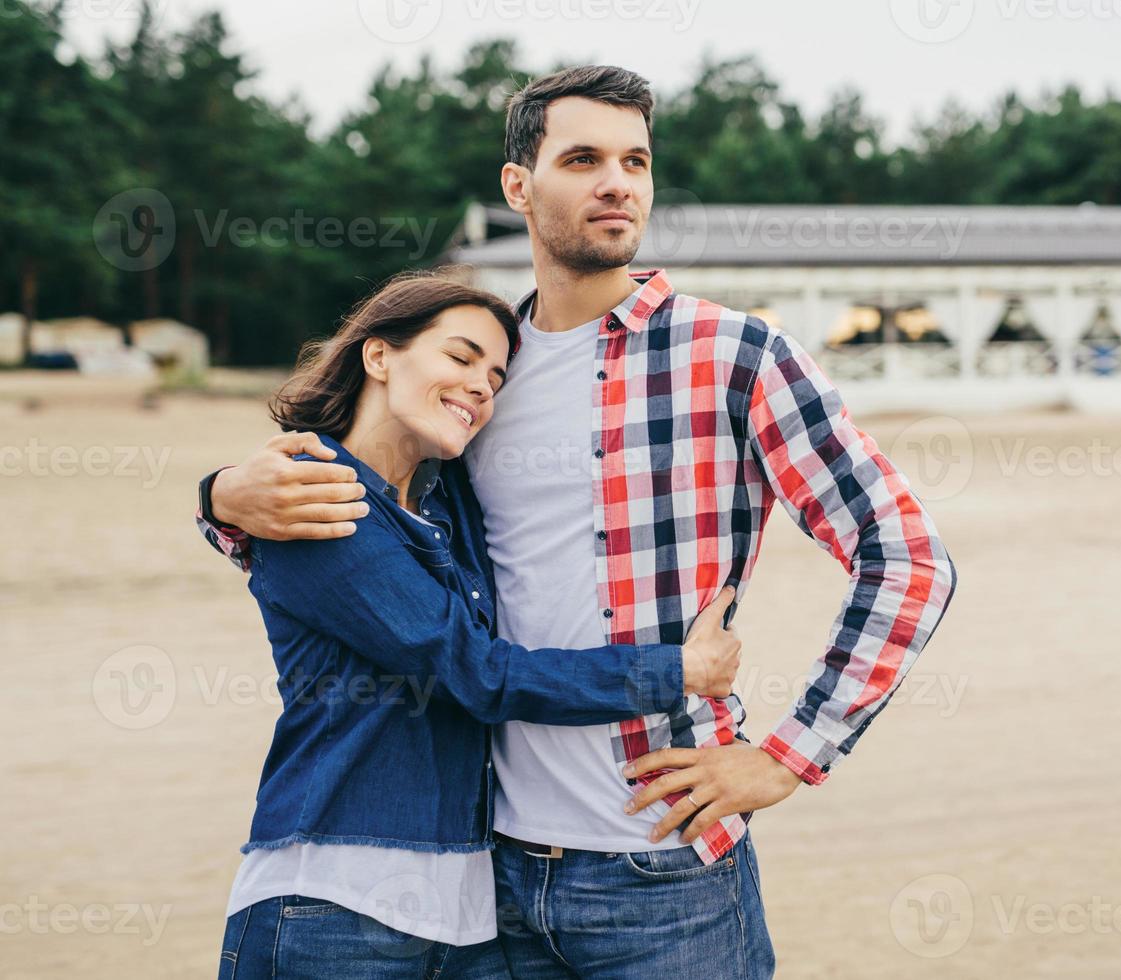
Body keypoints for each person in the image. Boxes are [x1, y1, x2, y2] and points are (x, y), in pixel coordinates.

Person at [200, 65, 957, 978]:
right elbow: (376, 522)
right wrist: (220, 499)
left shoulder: (733, 355)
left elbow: (908, 558)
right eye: (584, 158)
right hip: (490, 878)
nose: (617, 183)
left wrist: (791, 757)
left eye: (636, 161)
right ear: (519, 185)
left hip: (664, 870)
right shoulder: (483, 374)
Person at [204, 272, 741, 978]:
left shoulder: (443, 497)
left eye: (494, 374)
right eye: (460, 359)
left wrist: (213, 500)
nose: (482, 386)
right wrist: (677, 671)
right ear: (378, 356)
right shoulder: (322, 501)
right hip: (332, 902)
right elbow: (479, 673)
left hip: (466, 917)